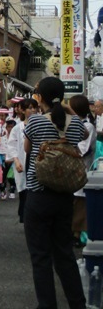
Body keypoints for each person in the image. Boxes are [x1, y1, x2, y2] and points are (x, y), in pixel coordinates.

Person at [23, 77, 87, 309]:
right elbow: (83, 136)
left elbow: (27, 149)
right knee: (65, 254)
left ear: (40, 97)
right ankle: (77, 304)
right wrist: (67, 107)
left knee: (41, 256)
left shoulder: (35, 121)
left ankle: (47, 305)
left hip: (39, 194)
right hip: (64, 196)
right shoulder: (76, 123)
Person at [69, 95, 97, 247]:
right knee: (74, 204)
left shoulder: (89, 126)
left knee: (80, 206)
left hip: (82, 171)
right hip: (71, 172)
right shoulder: (75, 123)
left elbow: (83, 150)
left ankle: (77, 235)